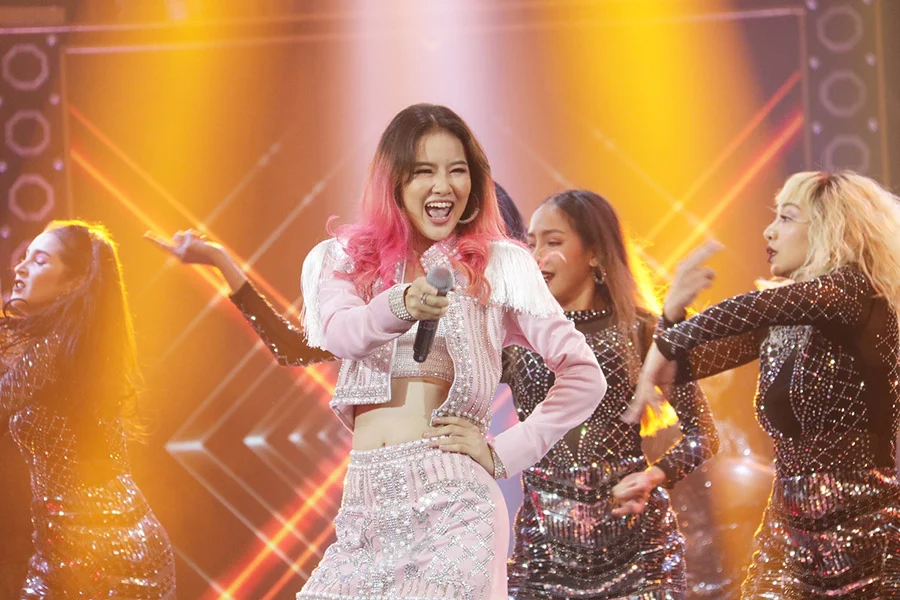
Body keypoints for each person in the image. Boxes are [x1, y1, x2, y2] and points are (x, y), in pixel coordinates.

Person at [624, 171, 900, 597]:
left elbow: (753, 307)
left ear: (830, 230)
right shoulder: (782, 318)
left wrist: (663, 346)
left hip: (864, 534)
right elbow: (678, 370)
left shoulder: (853, 292)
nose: (769, 231)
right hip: (787, 534)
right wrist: (672, 315)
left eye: (787, 218)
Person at [504, 190, 718, 598]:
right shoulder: (516, 336)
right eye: (531, 244)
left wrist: (652, 477)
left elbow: (703, 434)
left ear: (595, 253)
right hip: (542, 560)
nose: (537, 256)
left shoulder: (643, 331)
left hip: (640, 557)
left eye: (552, 241)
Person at [1, 220, 175, 598]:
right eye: (25, 257)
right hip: (68, 546)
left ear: (72, 283)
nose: (20, 268)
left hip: (114, 552)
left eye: (40, 261)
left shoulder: (57, 350)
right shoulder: (53, 345)